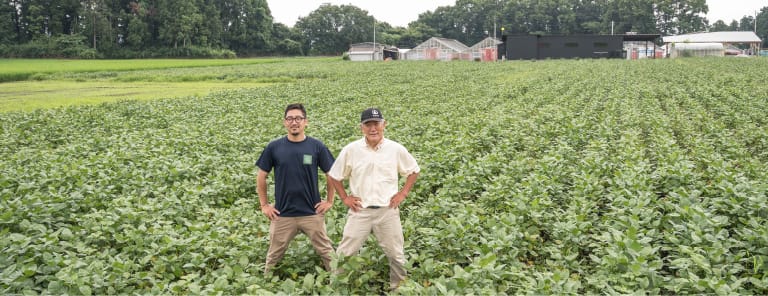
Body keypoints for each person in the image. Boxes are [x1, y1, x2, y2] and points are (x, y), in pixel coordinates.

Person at [328, 107, 420, 290]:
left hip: (388, 211)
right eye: (368, 124)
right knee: (345, 253)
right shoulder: (351, 150)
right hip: (359, 211)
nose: (373, 128)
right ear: (362, 127)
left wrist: (403, 193)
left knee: (396, 255)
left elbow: (413, 170)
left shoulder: (395, 149)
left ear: (384, 125)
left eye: (376, 124)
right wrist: (345, 197)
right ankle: (335, 289)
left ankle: (399, 289)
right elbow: (334, 175)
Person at [256, 103, 336, 274]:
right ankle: (266, 284)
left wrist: (330, 201)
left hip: (311, 212)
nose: (294, 122)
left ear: (305, 122)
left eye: (298, 118)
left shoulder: (316, 146)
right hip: (283, 214)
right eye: (290, 119)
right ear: (285, 122)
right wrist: (264, 205)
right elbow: (262, 175)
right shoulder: (274, 147)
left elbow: (332, 174)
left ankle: (338, 283)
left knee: (327, 252)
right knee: (273, 255)